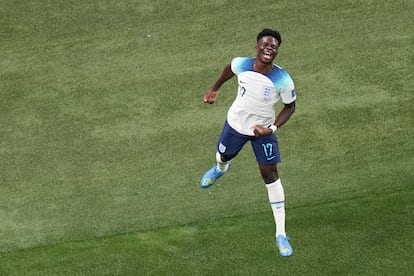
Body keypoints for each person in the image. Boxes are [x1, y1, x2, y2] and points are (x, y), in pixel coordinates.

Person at [200, 28, 296, 257]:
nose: (269, 49)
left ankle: (281, 234)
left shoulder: (282, 79)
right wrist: (214, 88)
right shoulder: (241, 64)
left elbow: (290, 106)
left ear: (277, 51)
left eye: (273, 47)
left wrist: (271, 129)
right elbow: (228, 70)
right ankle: (220, 169)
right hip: (235, 125)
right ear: (256, 47)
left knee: (270, 174)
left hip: (262, 132)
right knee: (223, 156)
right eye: (265, 45)